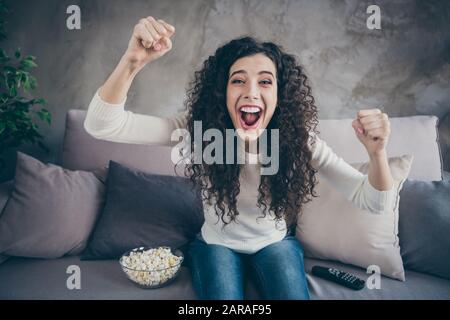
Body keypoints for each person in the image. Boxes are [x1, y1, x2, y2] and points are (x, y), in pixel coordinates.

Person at [84, 16, 395, 300]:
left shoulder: (301, 141)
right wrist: (133, 61)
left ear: (279, 96)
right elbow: (101, 125)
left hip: (275, 244)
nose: (251, 92)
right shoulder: (196, 131)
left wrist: (377, 153)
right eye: (238, 80)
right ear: (222, 92)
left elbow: (373, 201)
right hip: (216, 244)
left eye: (264, 81)